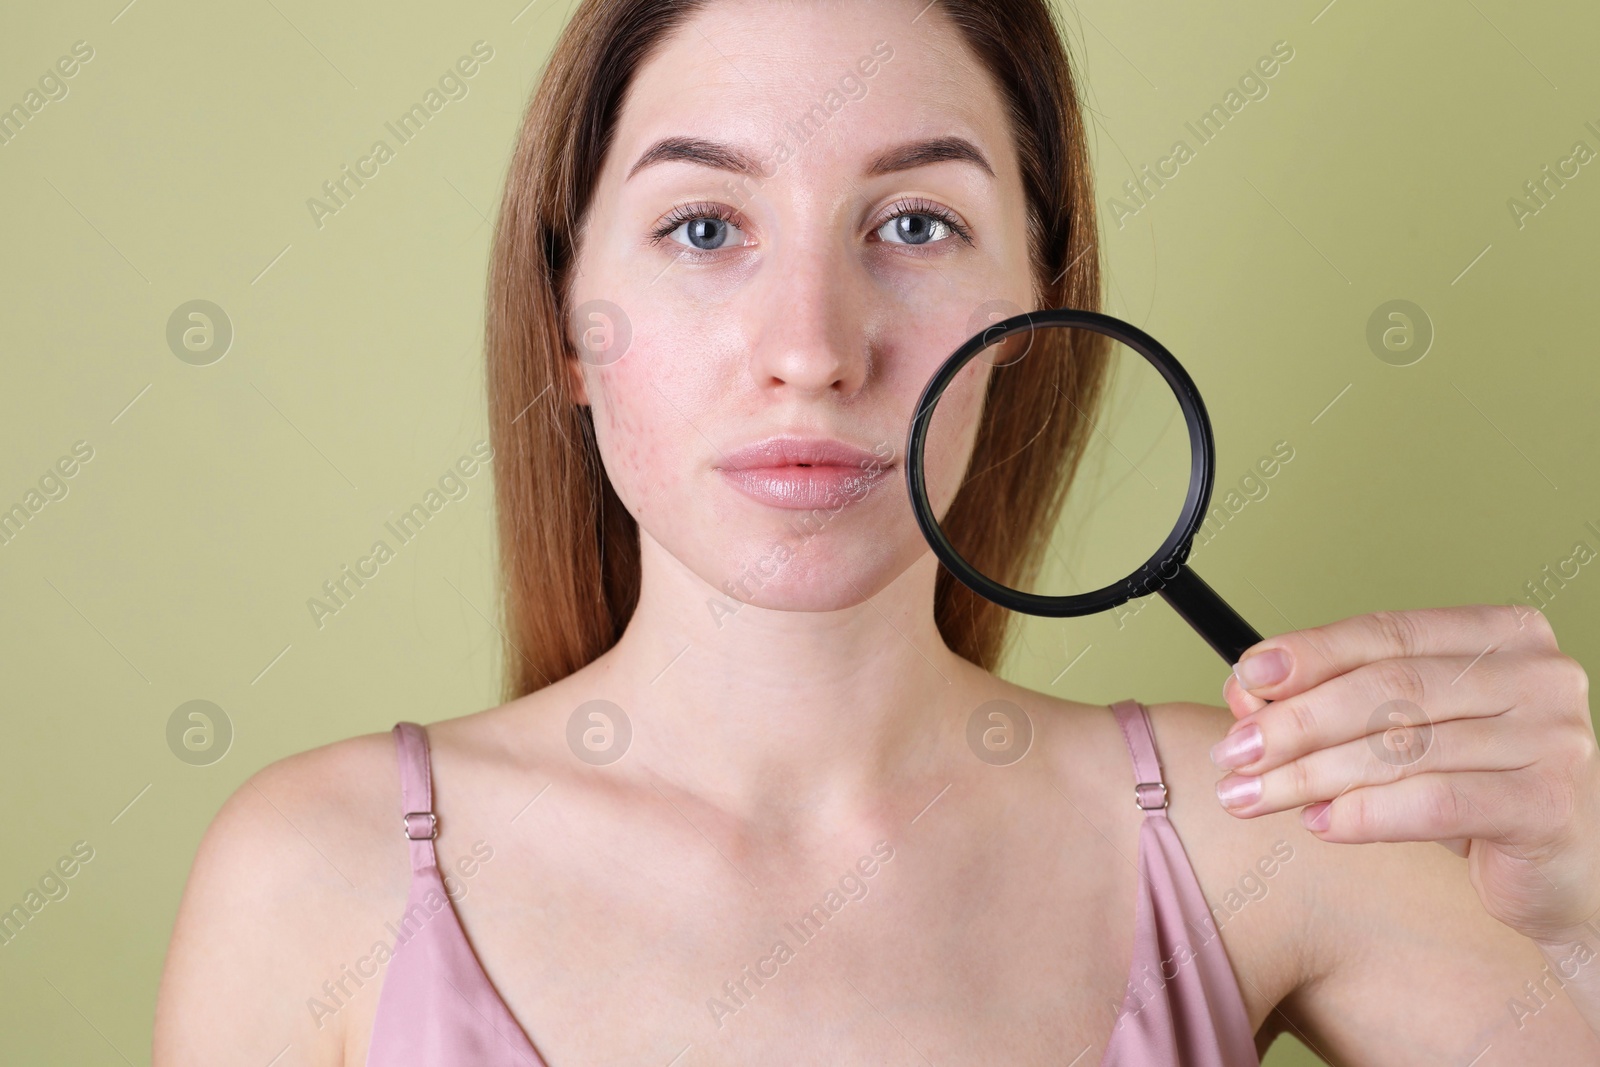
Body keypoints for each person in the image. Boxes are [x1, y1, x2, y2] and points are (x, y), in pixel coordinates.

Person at [153, 0, 1600, 1063]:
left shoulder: (1267, 834)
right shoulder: (314, 874)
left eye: (914, 226)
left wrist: (1587, 928)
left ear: (1040, 311)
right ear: (568, 327)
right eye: (706, 228)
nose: (814, 350)